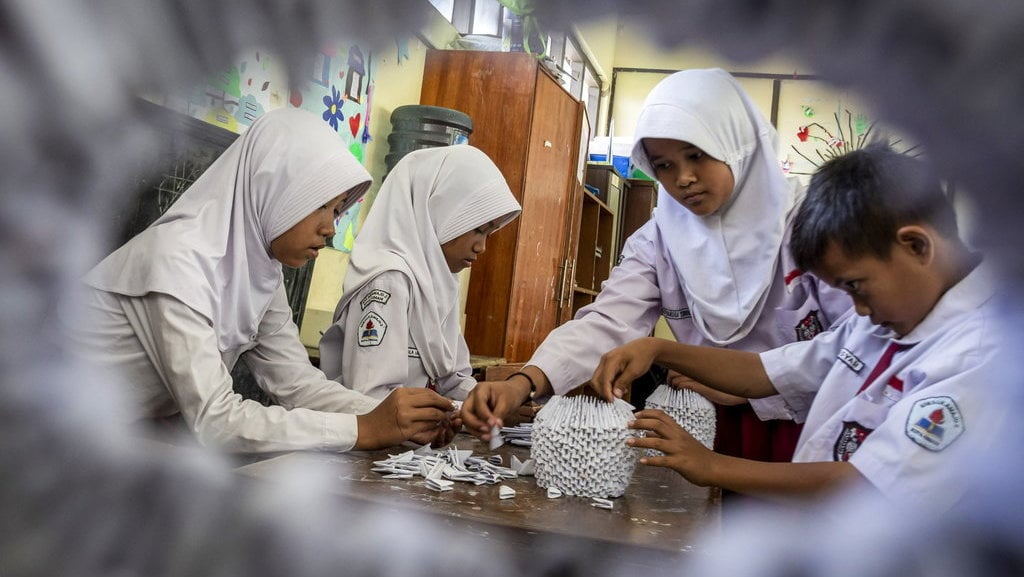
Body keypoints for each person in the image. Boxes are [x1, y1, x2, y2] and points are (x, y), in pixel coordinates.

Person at [461, 68, 852, 465]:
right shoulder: (661, 239)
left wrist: (757, 385)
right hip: (703, 428)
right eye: (664, 165)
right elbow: (609, 321)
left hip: (811, 428)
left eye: (697, 155)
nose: (683, 178)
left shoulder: (811, 226)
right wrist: (523, 382)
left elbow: (858, 343)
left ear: (738, 144)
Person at [591, 144, 999, 509]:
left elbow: (864, 484)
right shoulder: (886, 321)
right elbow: (765, 372)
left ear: (916, 246)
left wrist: (711, 465)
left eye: (855, 286)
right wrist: (660, 351)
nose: (856, 308)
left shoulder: (980, 354)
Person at [72, 107, 455, 454]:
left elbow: (297, 384)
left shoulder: (258, 271)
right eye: (319, 204)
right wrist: (363, 428)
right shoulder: (177, 261)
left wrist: (402, 418)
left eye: (337, 210)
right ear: (273, 189)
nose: (330, 229)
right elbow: (217, 421)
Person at [318, 145, 521, 406]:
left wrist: (490, 403)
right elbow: (373, 399)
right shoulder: (389, 281)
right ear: (439, 212)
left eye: (488, 234)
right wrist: (460, 411)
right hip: (373, 442)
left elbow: (450, 379)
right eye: (478, 230)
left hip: (412, 441)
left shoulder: (439, 282)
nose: (481, 247)